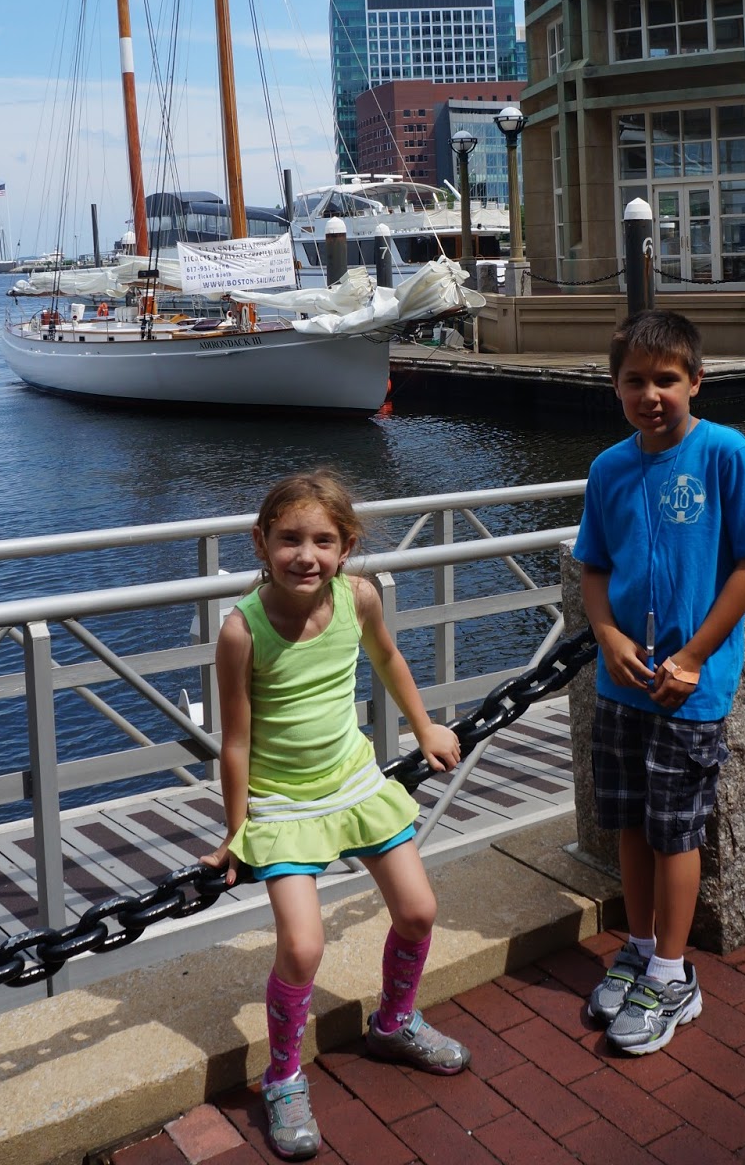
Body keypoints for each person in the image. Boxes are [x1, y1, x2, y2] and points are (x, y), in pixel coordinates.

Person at [201, 469, 469, 1162]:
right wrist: (235, 832)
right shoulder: (241, 631)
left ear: (346, 546)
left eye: (323, 540)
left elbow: (386, 656)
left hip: (352, 781)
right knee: (303, 947)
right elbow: (234, 740)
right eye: (289, 539)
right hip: (282, 803)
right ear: (260, 544)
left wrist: (424, 726)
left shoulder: (358, 597)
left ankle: (395, 1020)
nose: (305, 555)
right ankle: (284, 1076)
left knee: (417, 910)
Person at [574, 310, 745, 1057]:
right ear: (615, 387)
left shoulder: (725, 453)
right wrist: (607, 634)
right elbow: (594, 569)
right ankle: (637, 945)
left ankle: (672, 969)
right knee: (629, 820)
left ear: (695, 380)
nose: (651, 393)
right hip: (622, 683)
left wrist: (693, 657)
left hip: (689, 690)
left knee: (677, 828)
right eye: (635, 380)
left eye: (666, 379)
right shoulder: (607, 469)